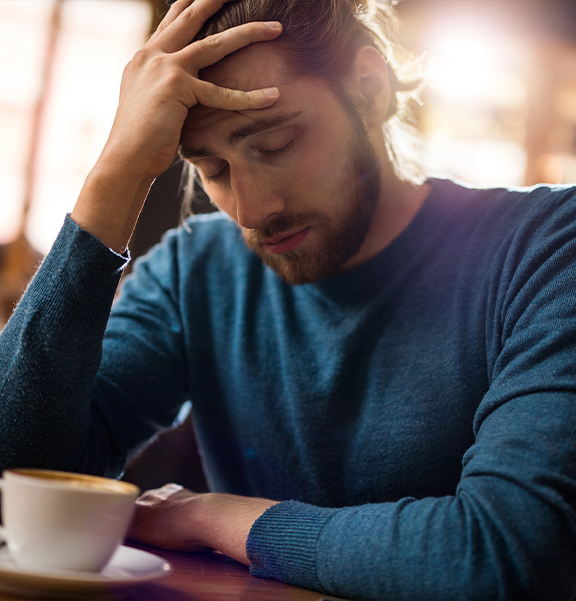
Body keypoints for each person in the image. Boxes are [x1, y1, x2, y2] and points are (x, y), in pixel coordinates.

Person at [1, 0, 576, 599]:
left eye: (275, 145)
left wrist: (214, 517)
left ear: (370, 90)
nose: (252, 212)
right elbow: (19, 472)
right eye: (212, 169)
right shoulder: (194, 269)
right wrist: (116, 171)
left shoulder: (546, 246)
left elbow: (509, 552)